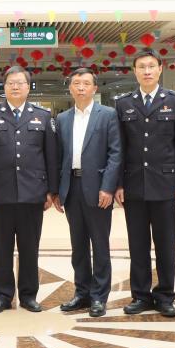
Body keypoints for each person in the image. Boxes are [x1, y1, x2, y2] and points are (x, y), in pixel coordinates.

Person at [0, 65, 58, 314]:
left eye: (20, 83)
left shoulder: (42, 116)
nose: (16, 87)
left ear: (28, 87)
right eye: (11, 83)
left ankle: (29, 295)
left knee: (30, 248)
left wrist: (51, 191)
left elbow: (51, 156)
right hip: (0, 193)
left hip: (33, 193)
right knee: (1, 248)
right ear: (5, 87)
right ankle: (2, 295)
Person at [114, 49, 175, 318]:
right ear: (134, 71)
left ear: (160, 69)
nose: (146, 71)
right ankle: (141, 295)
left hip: (166, 185)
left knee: (165, 244)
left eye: (151, 66)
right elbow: (119, 148)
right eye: (141, 67)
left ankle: (165, 295)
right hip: (134, 185)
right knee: (137, 245)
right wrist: (118, 184)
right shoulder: (123, 103)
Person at [56, 68, 122, 318]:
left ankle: (99, 297)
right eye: (76, 83)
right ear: (70, 88)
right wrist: (57, 191)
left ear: (95, 88)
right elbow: (58, 156)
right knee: (78, 245)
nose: (81, 87)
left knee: (100, 245)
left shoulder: (108, 115)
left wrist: (108, 187)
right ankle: (81, 293)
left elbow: (116, 153)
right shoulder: (62, 119)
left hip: (98, 189)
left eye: (86, 83)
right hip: (71, 187)